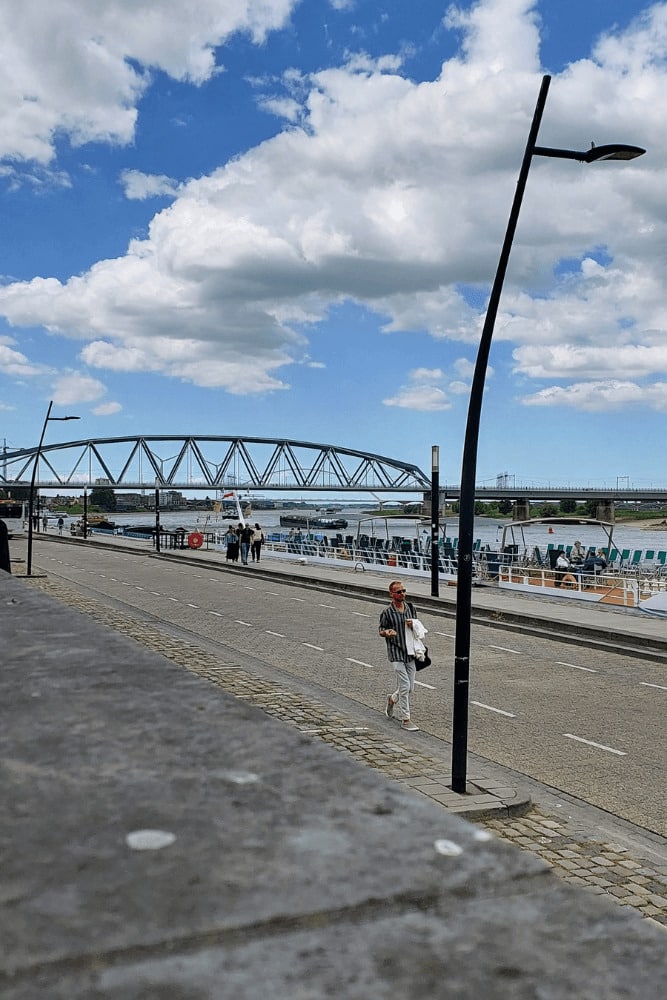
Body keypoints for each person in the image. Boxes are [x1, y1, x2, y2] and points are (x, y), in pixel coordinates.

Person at [378, 580, 420, 732]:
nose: (402, 594)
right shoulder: (387, 612)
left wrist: (413, 625)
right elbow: (381, 629)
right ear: (391, 594)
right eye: (399, 592)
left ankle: (392, 699)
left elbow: (417, 625)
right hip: (395, 652)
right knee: (405, 686)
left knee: (410, 688)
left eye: (403, 591)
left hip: (410, 651)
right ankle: (406, 719)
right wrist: (387, 632)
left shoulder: (410, 608)